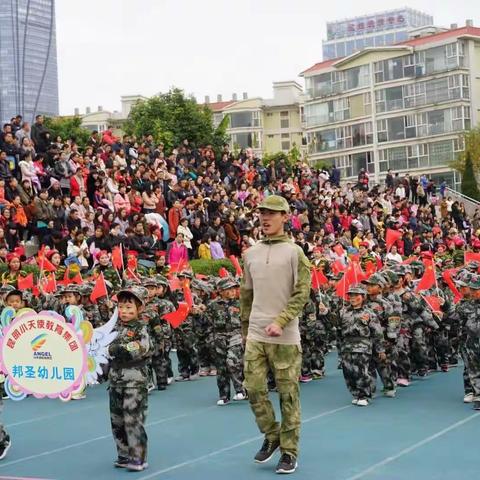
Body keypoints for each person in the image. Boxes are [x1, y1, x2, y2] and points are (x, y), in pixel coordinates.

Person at [240, 194, 311, 474]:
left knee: (288, 395)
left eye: (272, 213)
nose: (265, 218)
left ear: (285, 217)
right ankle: (272, 433)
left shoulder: (295, 253)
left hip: (285, 336)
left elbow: (302, 292)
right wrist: (246, 330)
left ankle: (290, 450)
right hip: (257, 333)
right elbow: (246, 294)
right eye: (262, 213)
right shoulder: (251, 253)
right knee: (254, 389)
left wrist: (281, 321)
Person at [108, 285, 151, 472]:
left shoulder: (141, 328)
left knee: (133, 419)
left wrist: (122, 350)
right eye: (121, 307)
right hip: (115, 380)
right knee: (117, 419)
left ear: (139, 308)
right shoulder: (114, 328)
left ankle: (137, 457)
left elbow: (142, 347)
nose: (124, 311)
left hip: (134, 381)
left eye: (129, 307)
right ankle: (123, 454)